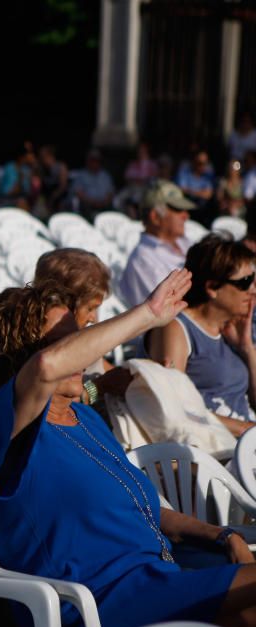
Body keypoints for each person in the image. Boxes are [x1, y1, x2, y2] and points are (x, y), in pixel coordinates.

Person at [0, 271, 256, 627]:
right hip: (96, 606)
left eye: (82, 335)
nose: (82, 350)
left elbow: (145, 510)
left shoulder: (85, 419)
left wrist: (222, 535)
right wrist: (147, 314)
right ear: (20, 354)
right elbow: (48, 366)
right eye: (71, 341)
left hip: (161, 578)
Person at [148, 234, 256, 436]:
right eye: (245, 282)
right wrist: (247, 430)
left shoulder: (229, 330)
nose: (253, 290)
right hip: (215, 451)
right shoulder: (176, 328)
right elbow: (172, 407)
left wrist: (247, 348)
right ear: (212, 287)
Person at [33, 248, 133, 404]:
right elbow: (52, 408)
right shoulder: (41, 348)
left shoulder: (82, 337)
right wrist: (97, 388)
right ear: (64, 302)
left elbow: (110, 371)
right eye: (90, 308)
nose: (93, 318)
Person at [119, 180, 196, 305]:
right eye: (177, 209)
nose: (186, 215)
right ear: (155, 217)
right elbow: (161, 313)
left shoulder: (184, 242)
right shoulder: (142, 260)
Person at [71, 148, 115, 221]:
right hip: (87, 206)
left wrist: (103, 203)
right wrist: (93, 202)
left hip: (104, 206)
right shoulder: (81, 175)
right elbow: (78, 192)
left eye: (97, 160)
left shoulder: (105, 176)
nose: (95, 163)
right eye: (92, 160)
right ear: (88, 161)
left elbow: (111, 193)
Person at [0, 141, 38, 211]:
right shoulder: (9, 168)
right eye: (27, 155)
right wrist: (20, 180)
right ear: (22, 157)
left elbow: (27, 191)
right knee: (21, 202)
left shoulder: (27, 170)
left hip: (21, 200)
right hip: (7, 199)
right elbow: (6, 191)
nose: (30, 157)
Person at [37, 145, 69, 215]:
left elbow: (63, 186)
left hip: (60, 196)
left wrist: (52, 198)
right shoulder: (41, 168)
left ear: (50, 156)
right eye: (41, 157)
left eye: (44, 156)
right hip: (46, 197)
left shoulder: (61, 167)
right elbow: (39, 187)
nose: (42, 159)